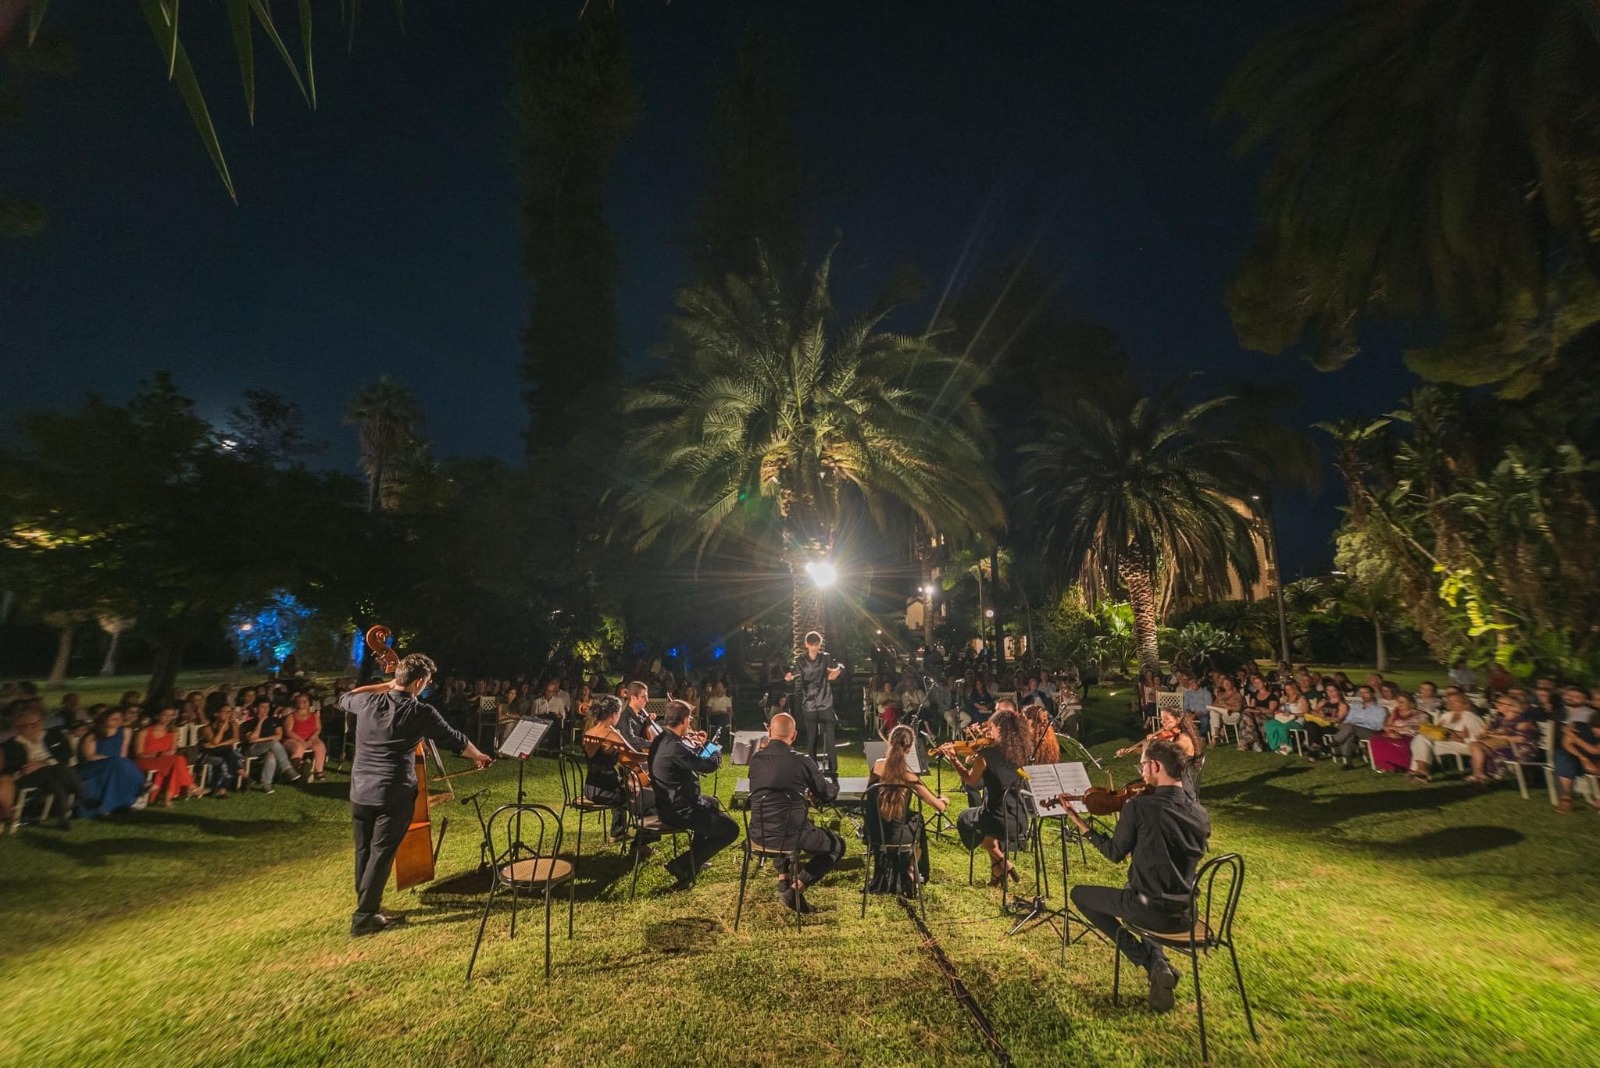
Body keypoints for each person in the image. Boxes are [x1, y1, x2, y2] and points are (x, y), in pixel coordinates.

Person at [339, 652, 492, 937]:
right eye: (427, 682)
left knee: (364, 850)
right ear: (419, 682)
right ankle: (364, 916)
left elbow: (347, 695)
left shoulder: (367, 701)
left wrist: (389, 683)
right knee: (382, 853)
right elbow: (454, 739)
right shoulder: (420, 712)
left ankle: (368, 905)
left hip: (360, 791)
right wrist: (478, 755)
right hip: (393, 793)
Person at [1064, 738, 1211, 1013]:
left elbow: (1114, 853)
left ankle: (1149, 961)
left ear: (1155, 766)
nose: (1141, 772)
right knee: (1141, 890)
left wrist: (1080, 823)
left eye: (1143, 765)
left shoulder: (1138, 806)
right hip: (1185, 915)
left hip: (1147, 909)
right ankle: (1159, 964)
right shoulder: (1200, 813)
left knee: (1080, 895)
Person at [747, 712, 843, 912]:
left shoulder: (755, 760)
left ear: (769, 731)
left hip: (759, 834)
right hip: (791, 836)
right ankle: (793, 892)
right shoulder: (802, 761)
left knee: (781, 816)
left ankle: (783, 881)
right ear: (794, 735)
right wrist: (832, 787)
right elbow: (826, 794)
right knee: (836, 846)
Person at [647, 698, 738, 886]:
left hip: (668, 801)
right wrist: (716, 752)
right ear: (684, 720)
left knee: (711, 802)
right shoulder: (674, 746)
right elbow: (706, 766)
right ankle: (682, 864)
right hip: (680, 809)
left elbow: (688, 758)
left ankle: (695, 861)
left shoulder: (663, 739)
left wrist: (698, 745)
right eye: (690, 719)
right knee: (731, 830)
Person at [942, 701, 1030, 887]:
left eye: (992, 728)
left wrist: (953, 759)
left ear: (998, 728)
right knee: (990, 838)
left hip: (998, 818)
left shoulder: (987, 755)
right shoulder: (1021, 752)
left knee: (966, 818)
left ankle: (1004, 863)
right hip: (1020, 817)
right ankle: (996, 875)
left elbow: (970, 780)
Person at [866, 723, 947, 894]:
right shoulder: (908, 775)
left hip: (875, 834)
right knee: (917, 820)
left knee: (910, 818)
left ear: (889, 742)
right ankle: (910, 869)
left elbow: (870, 797)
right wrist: (944, 801)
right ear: (909, 748)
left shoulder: (877, 766)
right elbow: (938, 806)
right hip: (899, 837)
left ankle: (895, 873)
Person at [582, 694, 656, 844]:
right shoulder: (611, 734)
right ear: (614, 714)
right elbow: (633, 755)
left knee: (628, 790)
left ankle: (618, 832)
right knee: (647, 798)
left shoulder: (589, 731)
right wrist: (653, 757)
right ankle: (640, 843)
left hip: (590, 788)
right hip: (607, 790)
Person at [1, 706, 81, 829]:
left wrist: (44, 763)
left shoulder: (53, 735)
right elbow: (9, 767)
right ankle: (83, 797)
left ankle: (62, 819)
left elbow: (67, 754)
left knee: (56, 778)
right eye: (28, 725)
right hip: (29, 775)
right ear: (19, 727)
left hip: (52, 771)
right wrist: (24, 769)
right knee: (59, 771)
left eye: (37, 723)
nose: (34, 727)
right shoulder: (11, 745)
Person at [786, 631, 844, 777]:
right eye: (811, 645)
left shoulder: (825, 657)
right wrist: (789, 677)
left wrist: (836, 671)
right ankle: (811, 769)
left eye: (816, 646)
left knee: (829, 734)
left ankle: (833, 768)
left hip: (825, 700)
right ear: (806, 645)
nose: (814, 648)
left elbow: (838, 666)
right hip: (809, 702)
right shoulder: (800, 660)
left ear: (819, 645)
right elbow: (793, 674)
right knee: (812, 735)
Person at [78, 708, 149, 816]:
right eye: (113, 719)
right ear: (104, 720)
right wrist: (108, 758)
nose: (117, 721)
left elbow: (123, 753)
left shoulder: (125, 731)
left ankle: (117, 805)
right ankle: (142, 784)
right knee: (116, 761)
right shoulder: (93, 735)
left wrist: (116, 761)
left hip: (116, 765)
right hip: (96, 765)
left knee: (121, 763)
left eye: (119, 719)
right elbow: (89, 756)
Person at [1466, 691, 1540, 786]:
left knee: (1476, 746)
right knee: (1474, 745)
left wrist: (1498, 736)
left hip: (1517, 749)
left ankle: (1478, 774)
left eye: (1501, 703)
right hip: (1500, 744)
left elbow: (1521, 739)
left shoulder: (1523, 721)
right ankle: (1479, 774)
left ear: (1513, 708)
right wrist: (1486, 732)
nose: (1497, 704)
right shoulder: (1498, 719)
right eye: (1497, 702)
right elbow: (1486, 733)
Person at [135, 705, 200, 805]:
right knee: (178, 760)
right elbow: (138, 753)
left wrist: (165, 754)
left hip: (166, 760)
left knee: (176, 763)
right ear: (157, 716)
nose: (168, 718)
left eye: (171, 716)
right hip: (146, 760)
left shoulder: (173, 732)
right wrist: (157, 754)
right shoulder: (144, 732)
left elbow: (172, 751)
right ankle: (189, 786)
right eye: (165, 715)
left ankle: (167, 798)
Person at [1552, 684, 1598, 812]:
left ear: (1586, 700)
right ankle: (1566, 796)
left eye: (1577, 696)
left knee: (1563, 756)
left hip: (1591, 753)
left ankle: (1566, 797)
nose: (1572, 698)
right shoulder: (1559, 713)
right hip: (1571, 751)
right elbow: (1565, 741)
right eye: (1569, 695)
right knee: (1562, 755)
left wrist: (1570, 734)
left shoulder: (1592, 716)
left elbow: (1595, 749)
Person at [244, 697, 300, 793]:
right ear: (256, 709)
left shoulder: (274, 721)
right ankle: (287, 768)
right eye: (262, 707)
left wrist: (262, 739)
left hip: (270, 747)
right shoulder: (249, 723)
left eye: (268, 707)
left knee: (271, 754)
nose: (266, 709)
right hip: (253, 749)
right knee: (273, 743)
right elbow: (253, 739)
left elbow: (278, 736)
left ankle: (266, 784)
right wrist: (260, 722)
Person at [1368, 693, 1427, 773]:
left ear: (1410, 703)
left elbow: (1412, 729)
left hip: (1410, 736)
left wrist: (1395, 729)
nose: (1400, 704)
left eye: (1403, 702)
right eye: (1398, 701)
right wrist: (1392, 731)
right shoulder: (1396, 711)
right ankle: (1386, 766)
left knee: (1401, 744)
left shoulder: (1419, 714)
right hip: (1392, 734)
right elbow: (1386, 726)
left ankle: (1404, 766)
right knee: (1376, 740)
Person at [1333, 684, 1389, 767]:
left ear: (1372, 694)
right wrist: (1353, 724)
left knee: (1350, 728)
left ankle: (1334, 743)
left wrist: (1358, 723)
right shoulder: (1356, 707)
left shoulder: (1380, 709)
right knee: (1349, 732)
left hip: (1371, 732)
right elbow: (1348, 720)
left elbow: (1378, 726)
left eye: (1366, 693)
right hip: (1352, 729)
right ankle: (1348, 763)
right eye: (1361, 693)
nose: (1363, 695)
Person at [200, 705, 243, 797]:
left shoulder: (233, 725)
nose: (228, 714)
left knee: (229, 756)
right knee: (229, 760)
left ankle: (220, 789)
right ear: (217, 714)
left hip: (226, 752)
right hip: (210, 754)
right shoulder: (207, 728)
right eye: (225, 711)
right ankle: (242, 773)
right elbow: (215, 741)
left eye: (230, 711)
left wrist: (219, 745)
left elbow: (235, 739)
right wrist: (222, 728)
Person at [283, 693, 327, 781]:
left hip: (310, 739)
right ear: (296, 703)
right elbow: (287, 731)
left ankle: (319, 771)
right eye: (300, 701)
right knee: (299, 747)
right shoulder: (291, 716)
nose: (303, 703)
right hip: (293, 740)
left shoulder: (314, 715)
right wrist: (301, 740)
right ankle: (294, 771)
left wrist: (312, 738)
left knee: (320, 746)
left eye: (305, 701)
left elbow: (318, 728)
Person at [1265, 680, 1308, 755]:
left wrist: (1292, 713)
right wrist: (1279, 711)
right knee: (1269, 725)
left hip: (1297, 720)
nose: (1288, 691)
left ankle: (1287, 747)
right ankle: (1276, 745)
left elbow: (1306, 713)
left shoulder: (1301, 699)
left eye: (1289, 689)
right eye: (1286, 690)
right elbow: (1281, 709)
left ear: (1294, 689)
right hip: (1284, 719)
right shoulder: (1285, 698)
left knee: (1283, 728)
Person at [618, 681, 660, 753]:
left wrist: (648, 721)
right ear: (633, 697)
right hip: (634, 758)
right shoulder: (625, 718)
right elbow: (630, 740)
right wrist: (653, 744)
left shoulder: (641, 715)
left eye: (647, 696)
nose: (647, 700)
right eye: (643, 697)